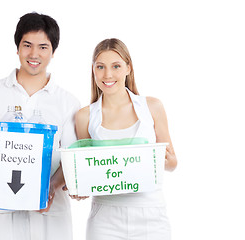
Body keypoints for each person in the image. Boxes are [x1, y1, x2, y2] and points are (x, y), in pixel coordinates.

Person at [0, 12, 80, 240]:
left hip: (49, 215)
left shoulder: (68, 102)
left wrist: (52, 188)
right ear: (17, 48)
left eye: (43, 47)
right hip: (0, 214)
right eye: (27, 45)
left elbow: (72, 160)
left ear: (53, 52)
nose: (34, 54)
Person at [75, 38, 177, 240]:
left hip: (150, 214)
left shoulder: (152, 107)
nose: (108, 75)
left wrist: (160, 158)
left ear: (128, 68)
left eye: (116, 66)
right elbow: (85, 172)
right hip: (105, 217)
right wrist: (79, 187)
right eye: (100, 67)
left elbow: (173, 163)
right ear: (93, 70)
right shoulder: (84, 116)